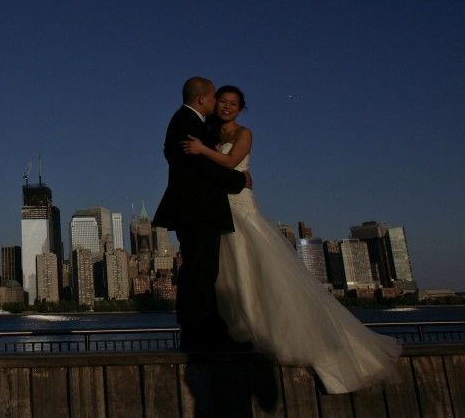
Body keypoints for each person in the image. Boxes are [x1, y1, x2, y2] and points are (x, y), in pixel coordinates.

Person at [181, 85, 401, 394]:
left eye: (234, 104)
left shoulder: (244, 134)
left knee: (265, 274)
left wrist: (203, 152)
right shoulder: (210, 134)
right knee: (235, 278)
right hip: (220, 212)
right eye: (223, 103)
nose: (227, 108)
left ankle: (323, 354)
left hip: (242, 209)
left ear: (241, 108)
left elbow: (231, 165)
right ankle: (249, 334)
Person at [152, 77, 250, 351]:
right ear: (201, 99)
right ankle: (200, 331)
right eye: (215, 98)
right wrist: (239, 181)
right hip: (198, 209)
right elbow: (201, 166)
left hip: (196, 208)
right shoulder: (188, 122)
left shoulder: (190, 122)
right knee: (201, 271)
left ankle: (201, 328)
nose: (218, 103)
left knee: (199, 269)